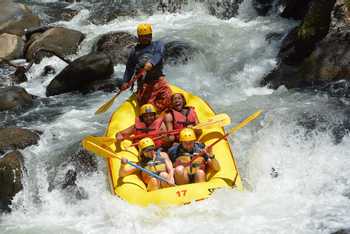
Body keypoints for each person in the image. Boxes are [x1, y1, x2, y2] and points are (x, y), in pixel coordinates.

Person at [120, 23, 172, 112]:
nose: (144, 38)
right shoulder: (135, 51)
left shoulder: (158, 44)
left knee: (168, 99)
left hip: (157, 79)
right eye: (142, 36)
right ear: (139, 37)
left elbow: (158, 54)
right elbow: (129, 67)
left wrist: (151, 63)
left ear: (151, 36)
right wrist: (125, 81)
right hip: (144, 83)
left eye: (147, 36)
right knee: (148, 108)